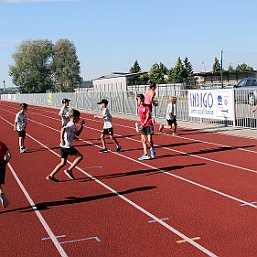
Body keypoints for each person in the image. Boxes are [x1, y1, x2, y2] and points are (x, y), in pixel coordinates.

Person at [46, 109, 85, 182]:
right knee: (80, 157)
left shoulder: (72, 124)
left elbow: (77, 134)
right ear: (74, 118)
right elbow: (62, 129)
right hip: (67, 146)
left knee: (63, 163)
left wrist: (82, 126)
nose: (79, 119)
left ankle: (51, 175)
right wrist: (61, 139)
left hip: (62, 146)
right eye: (78, 117)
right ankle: (69, 170)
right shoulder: (71, 125)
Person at [136, 94, 156, 160]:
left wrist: (144, 123)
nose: (141, 102)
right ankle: (145, 154)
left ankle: (152, 149)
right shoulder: (138, 107)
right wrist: (138, 125)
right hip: (142, 125)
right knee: (143, 140)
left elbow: (148, 116)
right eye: (139, 101)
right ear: (137, 101)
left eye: (142, 100)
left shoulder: (146, 107)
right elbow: (140, 117)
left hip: (148, 125)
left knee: (149, 140)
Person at [0, 141, 11, 208]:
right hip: (1, 166)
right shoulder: (2, 144)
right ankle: (1, 193)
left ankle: (1, 193)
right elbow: (9, 154)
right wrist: (6, 162)